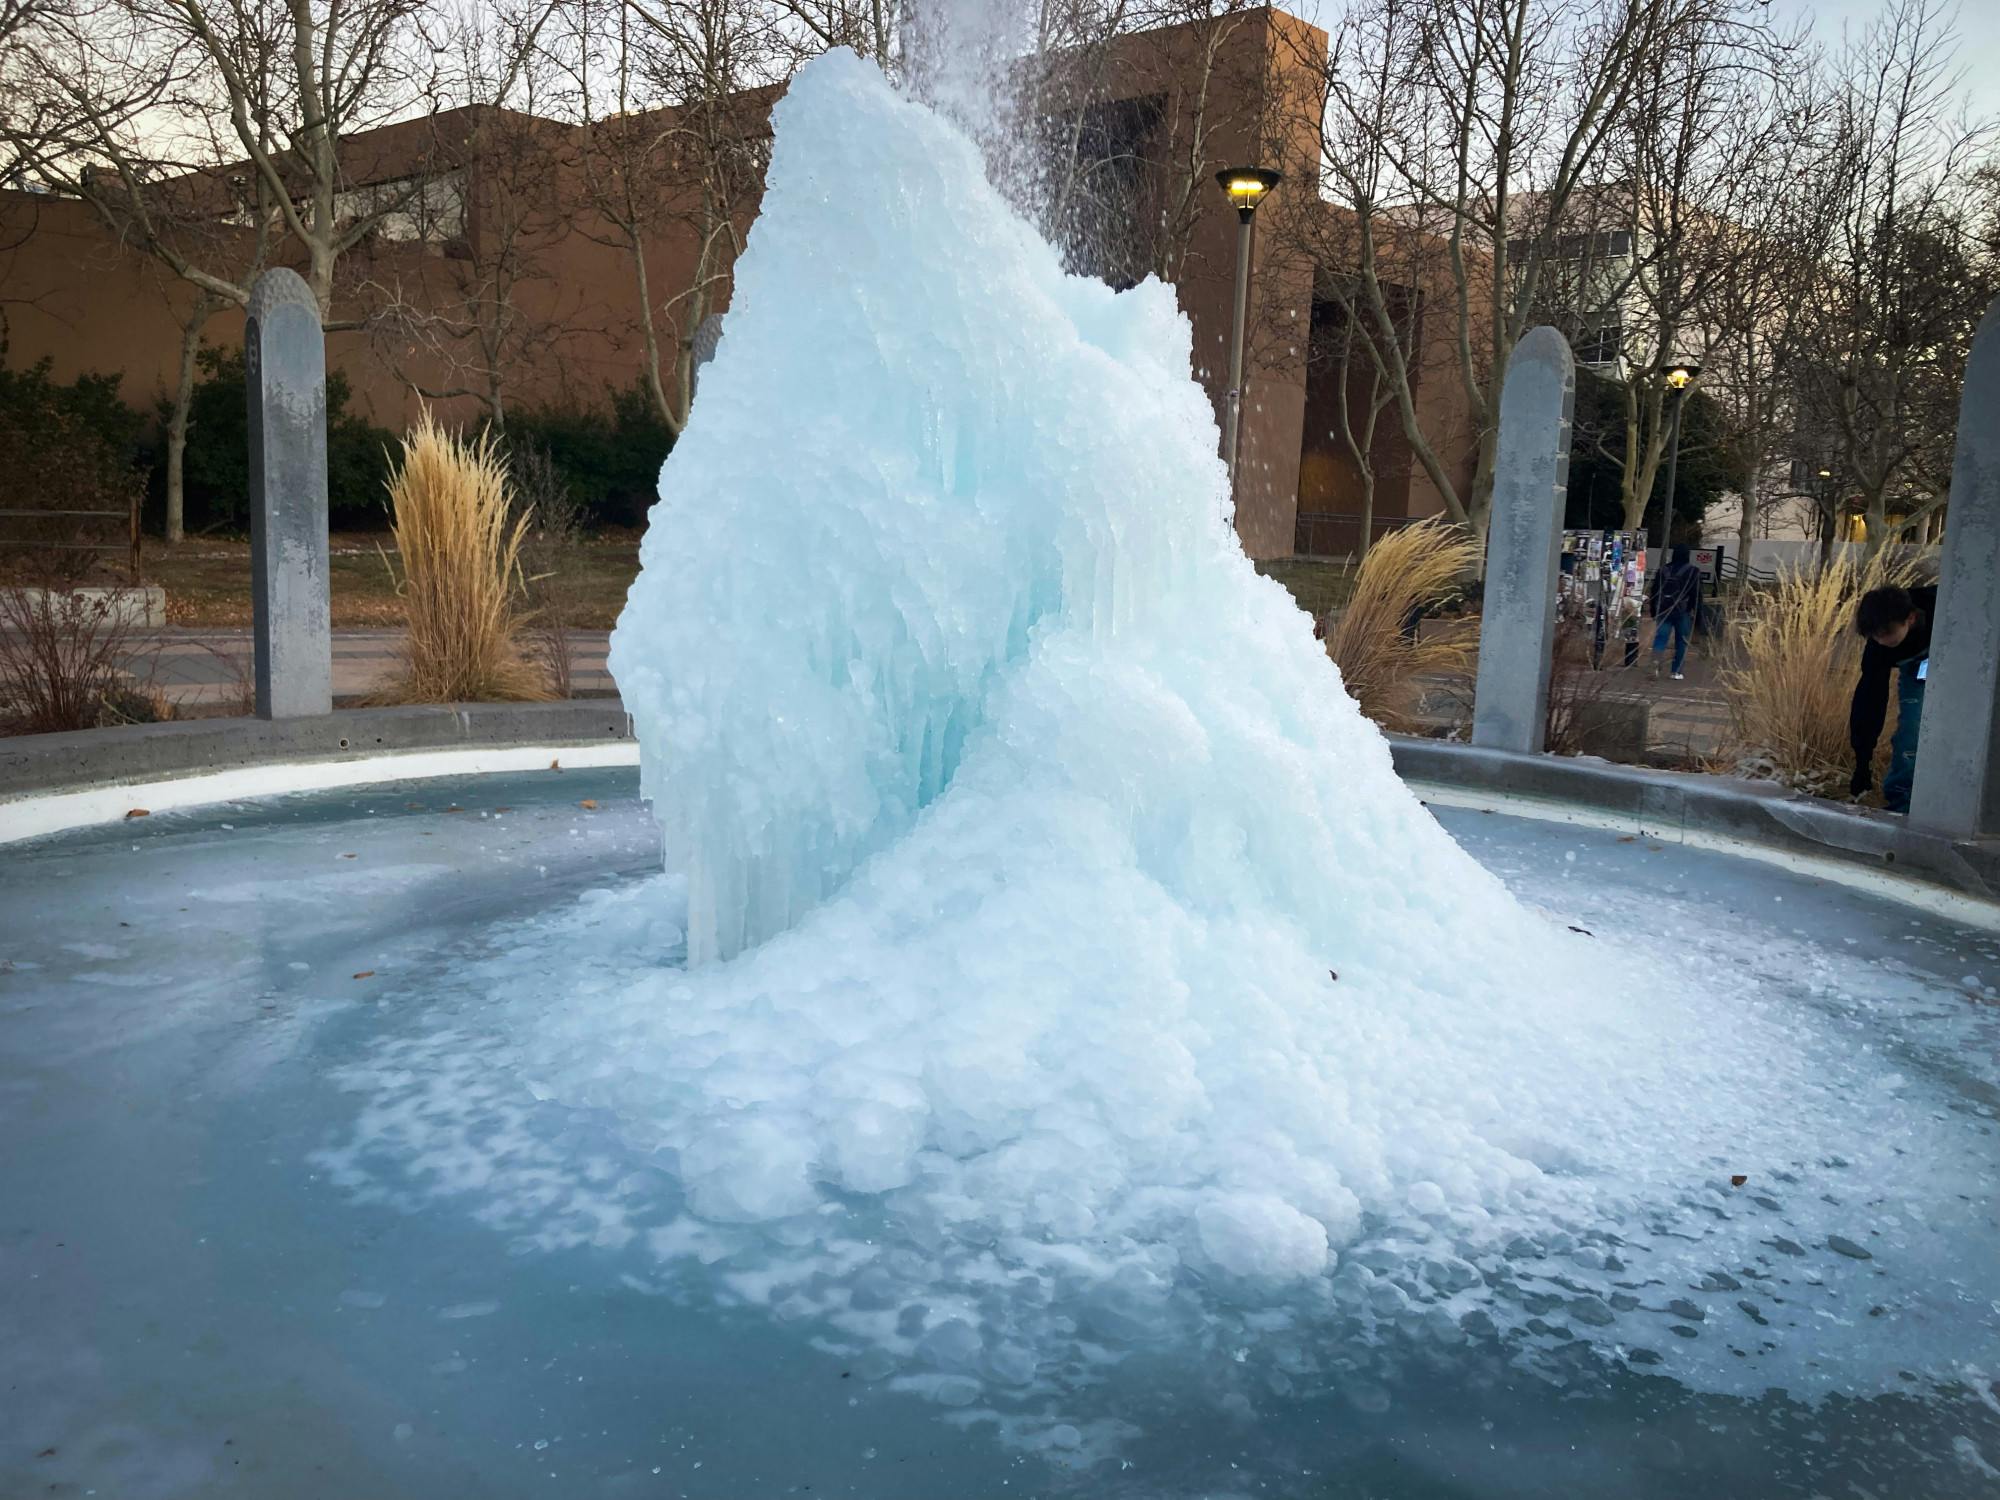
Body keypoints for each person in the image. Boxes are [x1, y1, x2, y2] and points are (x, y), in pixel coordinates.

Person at [1849, 583, 1936, 814]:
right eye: (1876, 636)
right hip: (1917, 666)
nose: (1882, 640)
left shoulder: (1944, 604)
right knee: (1911, 731)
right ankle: (1901, 805)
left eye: (1888, 633)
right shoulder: (1878, 649)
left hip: (1967, 657)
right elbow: (1869, 703)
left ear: (1911, 618)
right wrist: (1862, 762)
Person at [1647, 544, 1704, 680]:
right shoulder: (1693, 571)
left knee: (1660, 638)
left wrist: (1653, 610)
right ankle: (1676, 671)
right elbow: (1696, 595)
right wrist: (1695, 612)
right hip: (1683, 611)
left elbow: (1654, 591)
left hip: (1663, 609)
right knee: (1681, 641)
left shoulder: (1663, 570)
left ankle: (1655, 663)